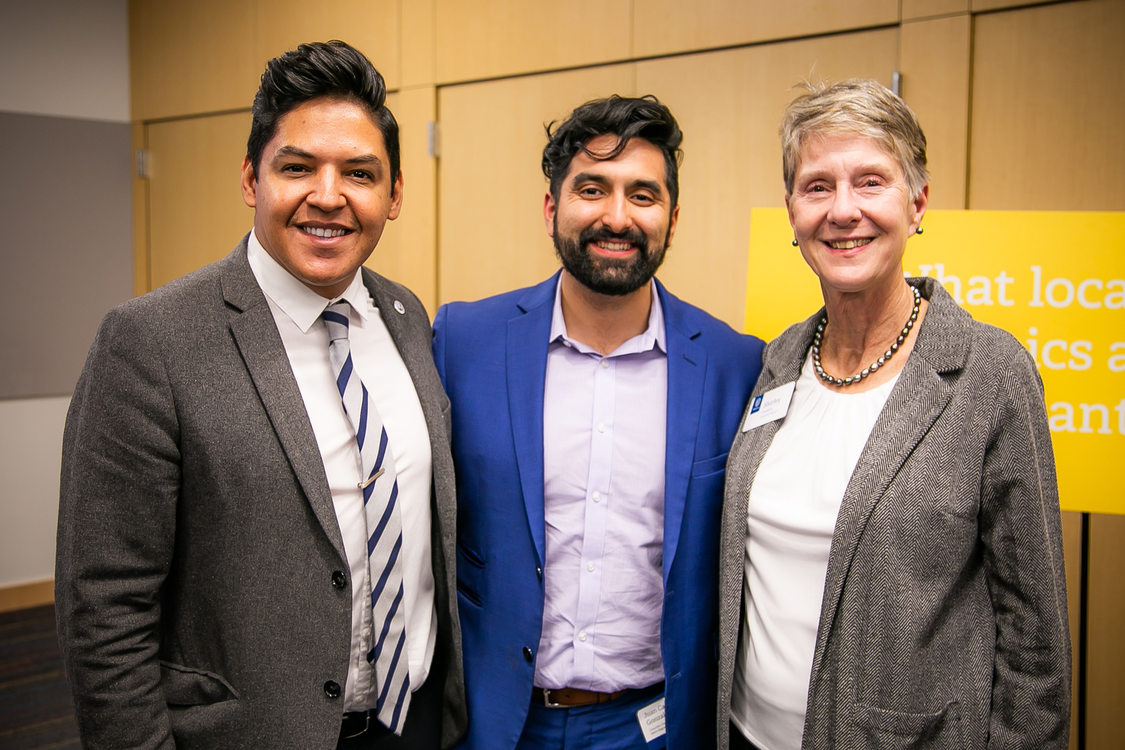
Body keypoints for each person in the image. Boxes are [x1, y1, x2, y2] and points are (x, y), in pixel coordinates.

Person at [55, 40, 465, 749]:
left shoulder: (407, 319)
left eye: (359, 173)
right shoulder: (150, 342)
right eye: (297, 167)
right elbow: (104, 610)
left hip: (414, 723)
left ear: (394, 195)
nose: (328, 196)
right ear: (251, 178)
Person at [716, 79, 1071, 750]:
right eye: (817, 186)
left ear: (917, 203)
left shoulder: (987, 372)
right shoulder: (777, 361)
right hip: (743, 735)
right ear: (790, 210)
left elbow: (1035, 638)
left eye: (870, 182)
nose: (842, 211)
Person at [432, 95, 765, 750]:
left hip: (654, 727)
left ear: (672, 219)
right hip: (495, 723)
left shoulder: (735, 364)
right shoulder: (462, 341)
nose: (616, 216)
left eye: (642, 195)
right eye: (592, 189)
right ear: (551, 208)